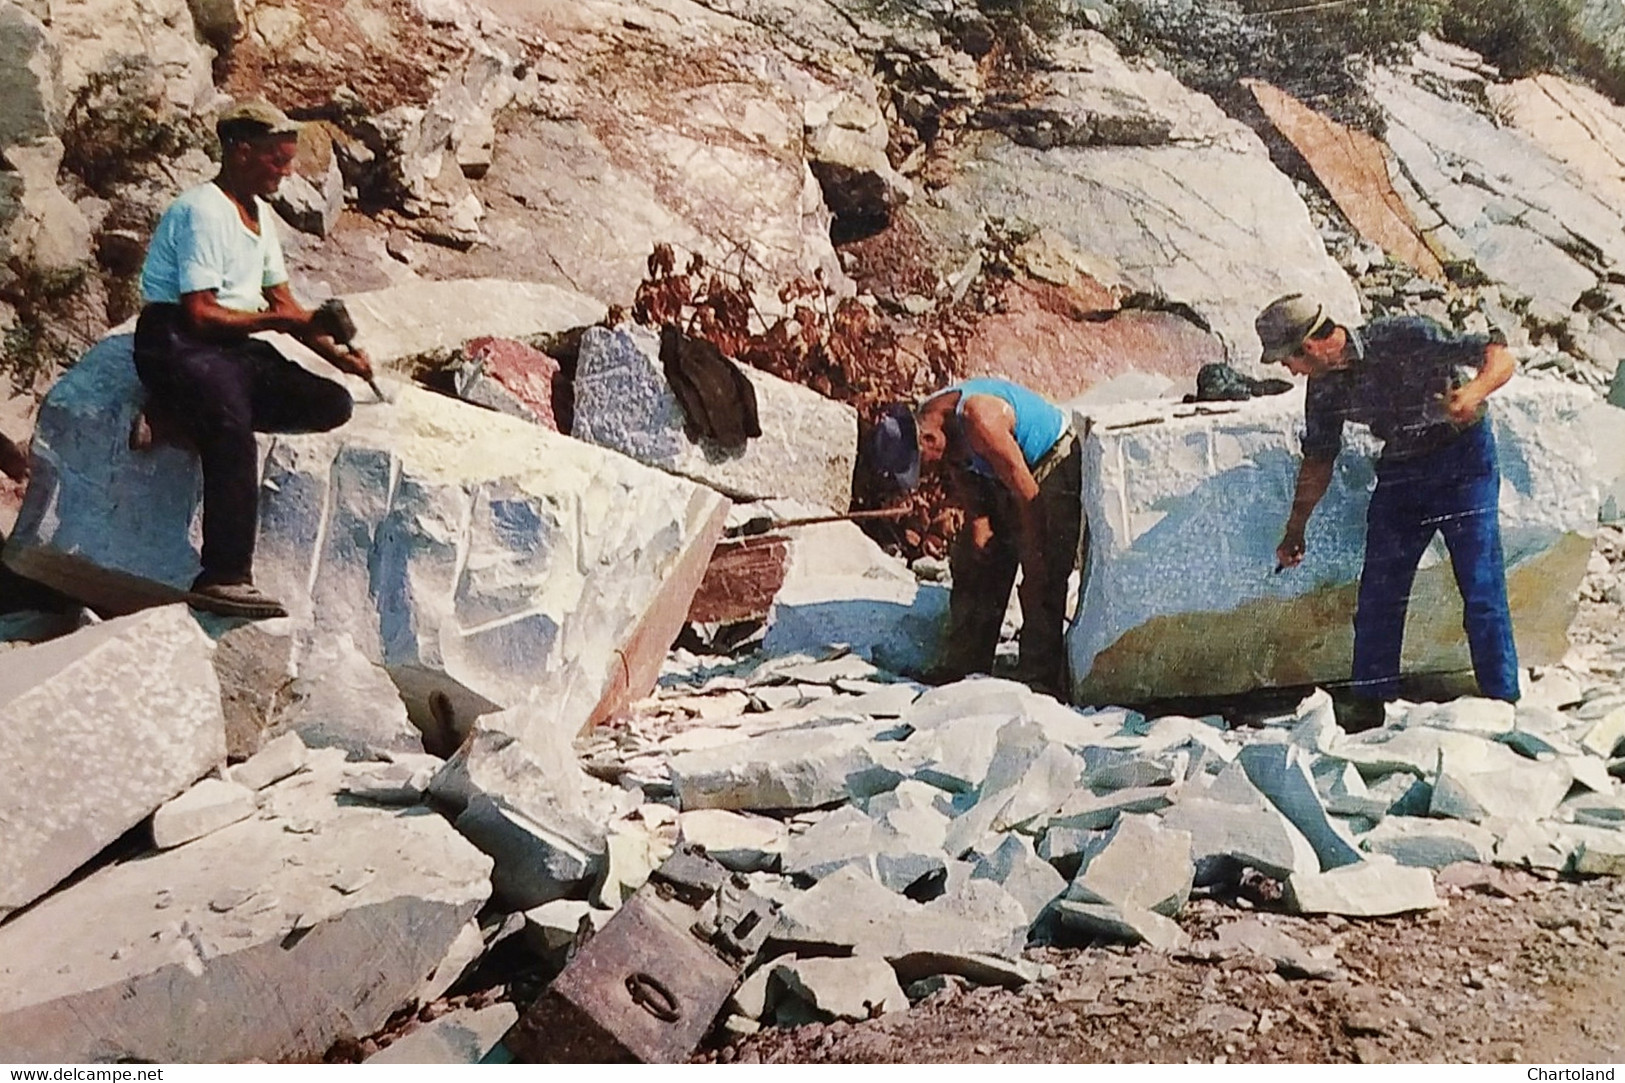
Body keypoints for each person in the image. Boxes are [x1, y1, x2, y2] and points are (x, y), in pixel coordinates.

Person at [134, 100, 374, 619]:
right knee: (231, 426)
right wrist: (280, 324)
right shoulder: (203, 210)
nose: (286, 173)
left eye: (288, 162)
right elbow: (199, 313)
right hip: (176, 339)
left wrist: (339, 357)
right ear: (241, 152)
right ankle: (222, 577)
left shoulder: (258, 217)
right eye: (277, 161)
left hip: (230, 344)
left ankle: (179, 411)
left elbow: (284, 304)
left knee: (330, 403)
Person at [1258, 293, 1519, 729]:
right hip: (1402, 471)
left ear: (1309, 346)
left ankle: (1503, 697)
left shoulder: (1404, 335)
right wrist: (1295, 528)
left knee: (1480, 584)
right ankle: (1369, 703)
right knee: (1380, 590)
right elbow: (1319, 459)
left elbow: (1498, 355)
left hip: (1463, 464)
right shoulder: (1322, 389)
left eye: (1288, 360)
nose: (1289, 370)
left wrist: (1473, 392)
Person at [867, 377, 1083, 698]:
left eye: (922, 464)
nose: (926, 474)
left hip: (1047, 463)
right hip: (1001, 471)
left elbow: (1028, 495)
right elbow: (958, 466)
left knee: (1042, 572)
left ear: (928, 438)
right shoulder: (934, 417)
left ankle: (1040, 677)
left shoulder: (979, 419)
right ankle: (965, 664)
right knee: (972, 557)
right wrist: (979, 521)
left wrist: (1035, 555)